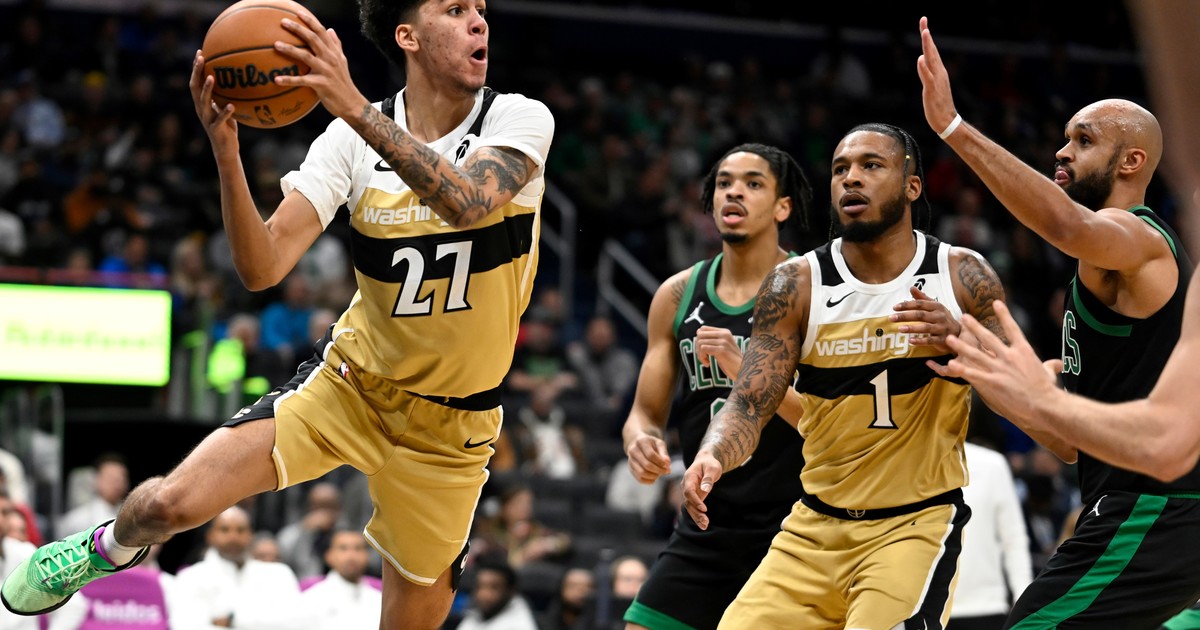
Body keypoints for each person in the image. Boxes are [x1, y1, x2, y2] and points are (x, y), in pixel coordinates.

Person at [0, 2, 555, 629]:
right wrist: (226, 153)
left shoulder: (518, 118)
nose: (479, 22)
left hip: (453, 428)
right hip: (351, 386)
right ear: (408, 36)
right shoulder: (347, 141)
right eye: (455, 9)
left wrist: (352, 105)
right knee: (164, 506)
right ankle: (101, 549)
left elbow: (468, 201)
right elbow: (262, 268)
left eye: (480, 9)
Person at [917, 16, 1200, 627]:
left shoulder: (1140, 239)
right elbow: (1068, 441)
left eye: (1084, 140)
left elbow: (1067, 224)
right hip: (1131, 506)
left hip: (1153, 507)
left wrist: (954, 128)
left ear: (1132, 160)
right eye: (1066, 138)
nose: (1062, 151)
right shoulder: (1100, 274)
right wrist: (974, 361)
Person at [682, 123, 1008, 629]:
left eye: (871, 166)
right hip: (812, 529)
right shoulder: (794, 284)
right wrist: (713, 452)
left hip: (912, 526)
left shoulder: (962, 275)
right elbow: (749, 400)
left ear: (912, 186)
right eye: (840, 169)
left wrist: (962, 340)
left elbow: (1019, 391)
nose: (851, 178)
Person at [619, 142, 813, 630]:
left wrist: (748, 370)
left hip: (795, 524)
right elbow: (645, 412)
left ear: (783, 207)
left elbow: (828, 421)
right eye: (724, 183)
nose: (734, 192)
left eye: (753, 183)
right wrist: (640, 440)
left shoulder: (815, 289)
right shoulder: (677, 294)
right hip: (706, 524)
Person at [173, 506, 305, 628]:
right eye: (224, 530)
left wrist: (233, 620)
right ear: (210, 536)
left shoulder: (278, 574)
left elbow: (296, 622)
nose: (233, 537)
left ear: (251, 535)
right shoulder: (191, 578)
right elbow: (187, 626)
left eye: (241, 530)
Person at [950, 440, 1033, 630]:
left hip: (986, 606)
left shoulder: (992, 464)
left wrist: (1023, 600)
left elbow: (1013, 537)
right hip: (919, 607)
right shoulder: (905, 461)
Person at [298, 528, 382, 630]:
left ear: (368, 555)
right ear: (329, 556)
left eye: (358, 548)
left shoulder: (380, 599)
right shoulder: (310, 600)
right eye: (343, 548)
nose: (351, 556)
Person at [455, 555, 538, 630]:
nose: (484, 594)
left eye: (494, 588)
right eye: (479, 586)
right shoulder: (477, 613)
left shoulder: (520, 625)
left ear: (510, 591)